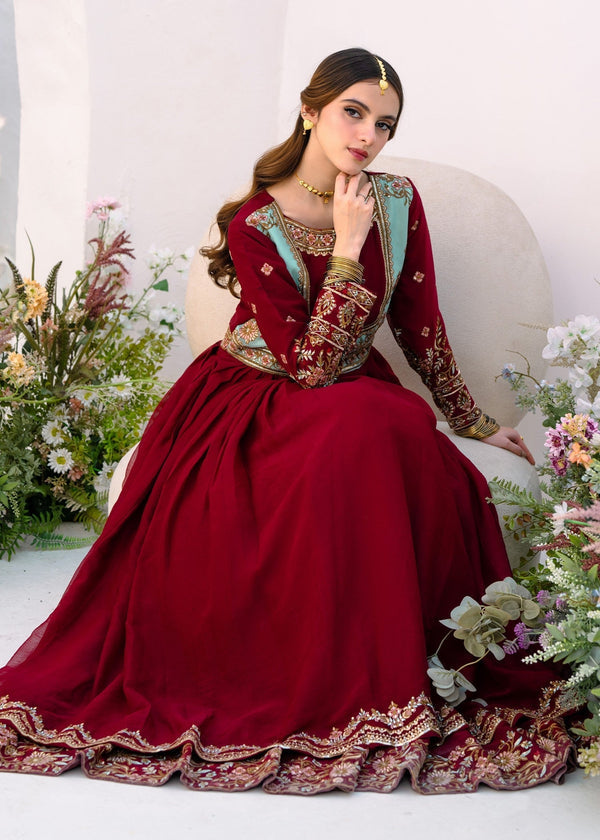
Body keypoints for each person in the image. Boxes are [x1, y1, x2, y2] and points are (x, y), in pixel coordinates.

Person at [0, 48, 576, 794]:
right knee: (365, 428)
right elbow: (308, 366)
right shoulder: (255, 221)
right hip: (256, 396)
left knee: (395, 427)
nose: (367, 136)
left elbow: (418, 321)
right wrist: (347, 248)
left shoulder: (396, 200)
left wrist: (471, 420)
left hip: (349, 387)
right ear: (310, 110)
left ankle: (410, 653)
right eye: (353, 113)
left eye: (385, 124)